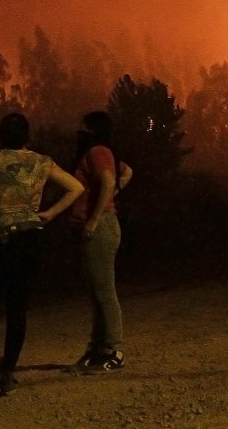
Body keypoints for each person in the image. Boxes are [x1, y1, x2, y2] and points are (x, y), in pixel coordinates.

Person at [0, 111, 83, 399]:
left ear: (1, 136)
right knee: (17, 307)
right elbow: (76, 187)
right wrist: (50, 213)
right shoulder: (42, 162)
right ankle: (8, 374)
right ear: (28, 136)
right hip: (30, 238)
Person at [67, 110, 132, 373]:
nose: (78, 129)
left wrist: (94, 217)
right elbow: (126, 172)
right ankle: (97, 349)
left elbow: (108, 178)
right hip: (100, 226)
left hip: (100, 228)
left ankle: (113, 350)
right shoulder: (101, 152)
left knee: (104, 292)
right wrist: (112, 192)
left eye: (83, 125)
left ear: (91, 130)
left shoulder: (96, 151)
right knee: (98, 293)